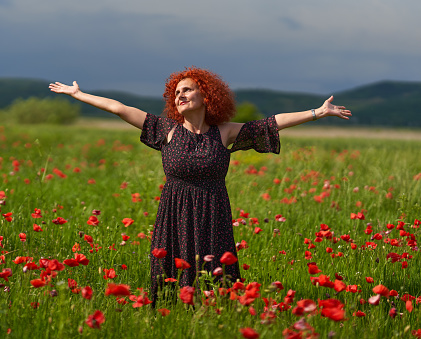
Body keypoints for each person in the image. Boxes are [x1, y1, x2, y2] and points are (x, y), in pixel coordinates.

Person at [49, 67, 351, 305]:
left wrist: (318, 112)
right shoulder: (165, 130)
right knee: (173, 274)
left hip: (213, 212)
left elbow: (272, 123)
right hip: (175, 212)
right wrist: (78, 94)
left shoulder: (224, 132)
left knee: (214, 277)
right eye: (176, 92)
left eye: (187, 90)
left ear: (206, 95)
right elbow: (117, 107)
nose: (180, 95)